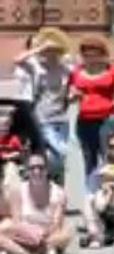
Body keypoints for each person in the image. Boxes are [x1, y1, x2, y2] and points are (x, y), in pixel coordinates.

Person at [68, 35, 114, 188]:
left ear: (102, 54)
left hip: (108, 119)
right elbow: (69, 95)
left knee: (110, 157)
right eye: (86, 55)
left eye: (94, 54)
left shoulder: (112, 70)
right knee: (89, 159)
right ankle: (92, 192)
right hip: (85, 121)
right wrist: (72, 96)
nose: (91, 58)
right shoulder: (76, 72)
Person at [16, 29, 72, 183]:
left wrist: (72, 96)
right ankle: (39, 183)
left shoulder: (65, 69)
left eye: (54, 50)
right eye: (48, 50)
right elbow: (18, 60)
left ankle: (56, 187)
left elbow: (72, 86)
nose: (51, 53)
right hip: (42, 117)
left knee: (57, 158)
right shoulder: (36, 67)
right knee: (59, 153)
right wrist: (39, 48)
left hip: (61, 118)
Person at [0, 151, 73, 254]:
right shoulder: (18, 191)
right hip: (23, 234)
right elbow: (17, 222)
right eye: (32, 168)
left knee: (68, 232)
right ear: (27, 171)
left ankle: (16, 251)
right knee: (5, 226)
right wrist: (30, 233)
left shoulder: (58, 193)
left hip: (47, 236)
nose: (36, 171)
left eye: (41, 168)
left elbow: (56, 224)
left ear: (47, 170)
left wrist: (42, 234)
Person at [83, 163, 114, 248]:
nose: (108, 183)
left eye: (112, 180)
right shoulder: (100, 193)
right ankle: (97, 238)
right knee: (95, 211)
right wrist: (108, 196)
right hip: (105, 223)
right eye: (105, 180)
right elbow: (100, 208)